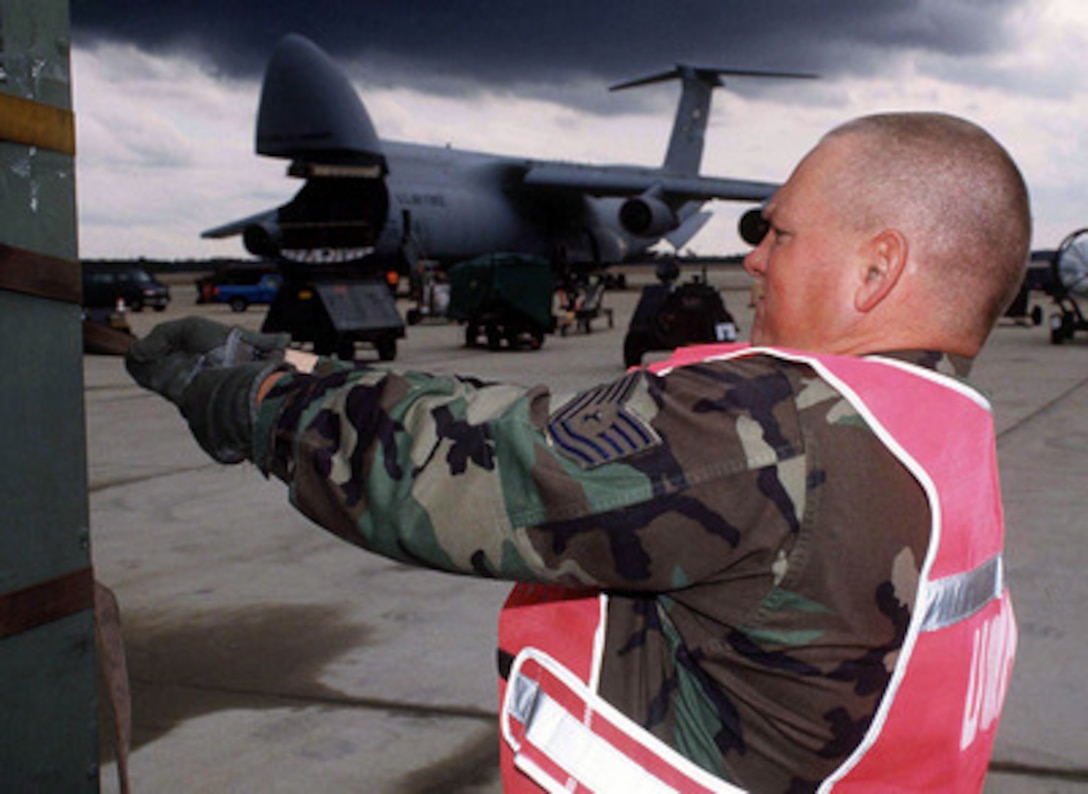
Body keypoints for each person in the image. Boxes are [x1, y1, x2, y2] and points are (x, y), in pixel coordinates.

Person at [126, 112, 1028, 793]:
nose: (752, 261)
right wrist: (304, 364)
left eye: (779, 234)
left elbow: (474, 472)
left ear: (876, 269)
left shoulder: (772, 425)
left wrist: (258, 402)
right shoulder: (939, 424)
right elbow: (544, 421)